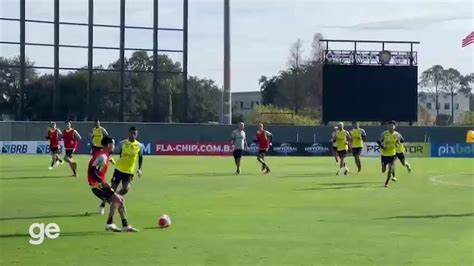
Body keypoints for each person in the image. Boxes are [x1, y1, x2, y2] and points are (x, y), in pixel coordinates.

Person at [87, 136, 138, 232]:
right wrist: (101, 181)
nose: (114, 146)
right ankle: (110, 223)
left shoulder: (105, 155)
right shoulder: (102, 156)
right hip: (96, 186)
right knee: (117, 199)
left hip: (99, 184)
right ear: (109, 145)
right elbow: (92, 170)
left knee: (120, 199)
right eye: (113, 144)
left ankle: (125, 225)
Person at [98, 127, 144, 215]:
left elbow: (140, 157)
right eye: (131, 133)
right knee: (112, 189)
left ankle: (113, 198)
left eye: (134, 133)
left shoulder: (139, 146)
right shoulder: (123, 143)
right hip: (119, 169)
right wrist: (107, 157)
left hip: (129, 172)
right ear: (128, 133)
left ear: (137, 134)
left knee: (126, 189)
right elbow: (112, 151)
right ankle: (103, 204)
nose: (133, 135)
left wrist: (139, 169)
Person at [377, 121, 401, 187]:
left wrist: (397, 144)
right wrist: (383, 147)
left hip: (392, 154)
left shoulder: (397, 135)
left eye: (392, 126)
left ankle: (386, 183)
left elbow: (398, 142)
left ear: (395, 127)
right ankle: (383, 166)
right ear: (388, 127)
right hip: (384, 155)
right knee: (383, 170)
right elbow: (378, 141)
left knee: (390, 169)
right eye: (390, 126)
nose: (391, 127)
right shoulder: (384, 134)